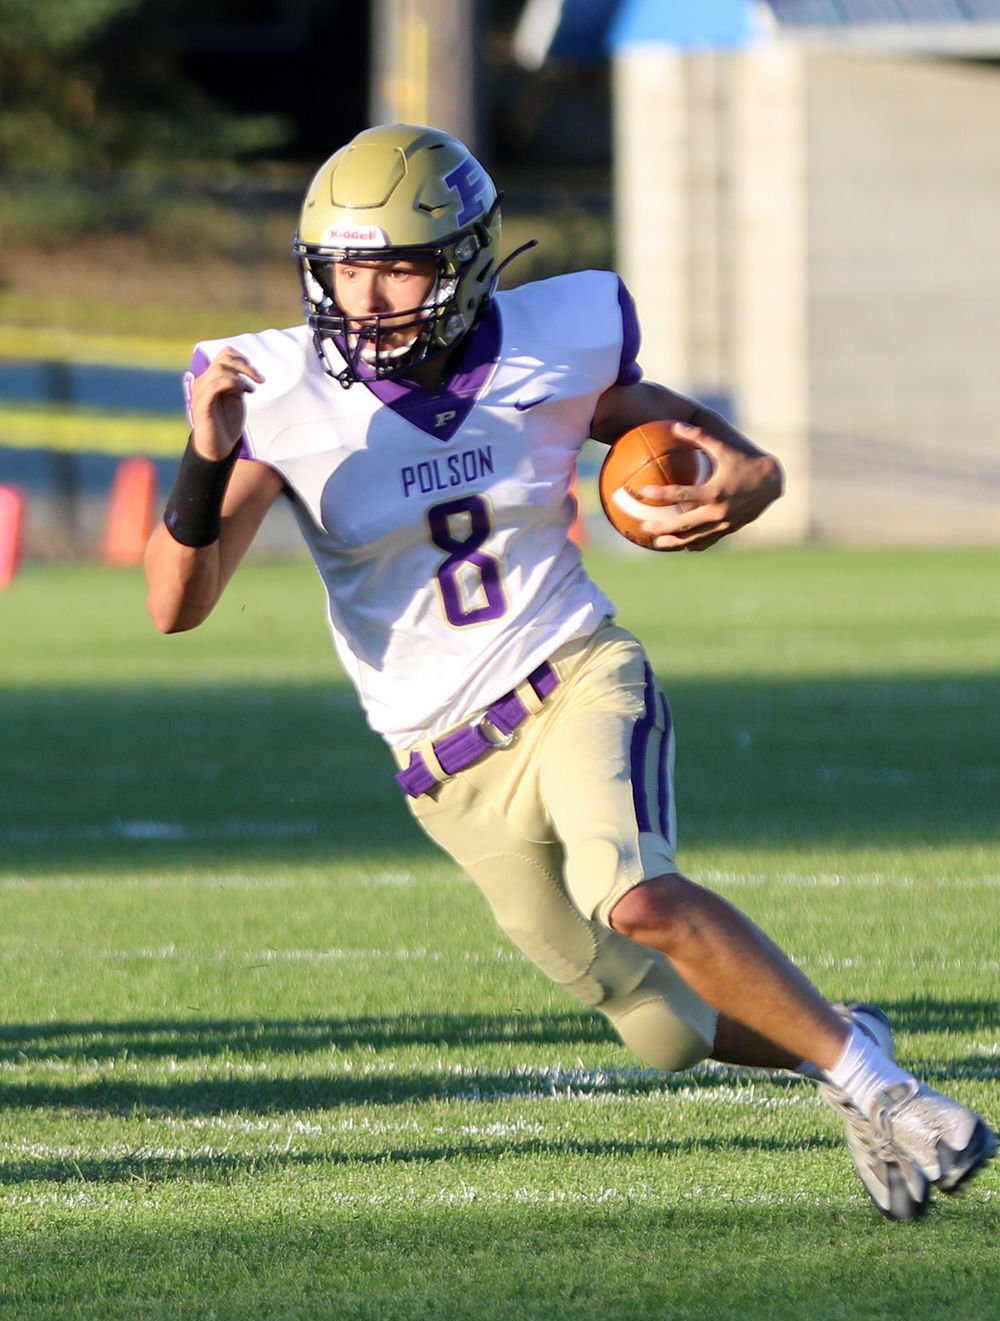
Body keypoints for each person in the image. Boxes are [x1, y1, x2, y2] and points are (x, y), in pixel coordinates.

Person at [144, 123, 994, 1222]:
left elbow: (685, 435)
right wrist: (206, 454)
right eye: (345, 267)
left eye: (395, 263)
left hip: (571, 672)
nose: (366, 296)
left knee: (635, 893)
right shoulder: (281, 397)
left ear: (461, 260)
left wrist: (749, 474)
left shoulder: (555, 342)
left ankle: (891, 1092)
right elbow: (177, 602)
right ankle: (843, 1043)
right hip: (442, 765)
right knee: (666, 1031)